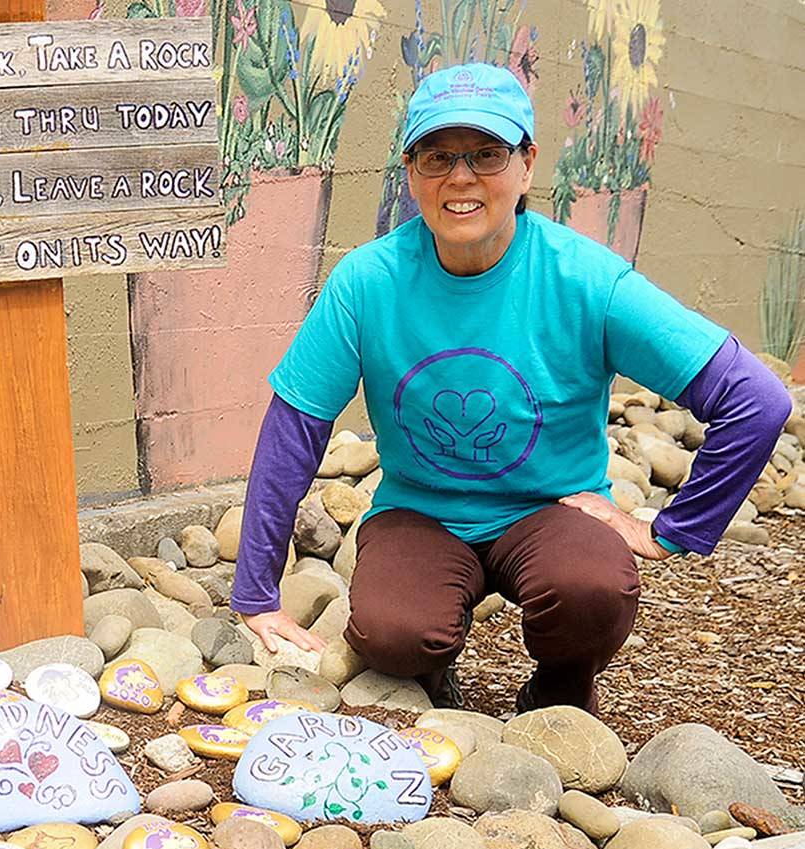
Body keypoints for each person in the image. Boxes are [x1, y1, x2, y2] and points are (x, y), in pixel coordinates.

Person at [231, 62, 793, 716]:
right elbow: (294, 430)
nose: (461, 177)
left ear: (527, 165)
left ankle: (558, 693)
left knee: (592, 590)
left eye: (487, 154)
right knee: (394, 633)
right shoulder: (367, 283)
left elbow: (756, 401)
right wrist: (256, 596)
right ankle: (432, 675)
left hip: (552, 510)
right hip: (422, 511)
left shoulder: (586, 280)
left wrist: (671, 529)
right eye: (437, 156)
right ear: (410, 172)